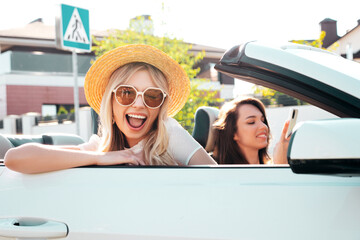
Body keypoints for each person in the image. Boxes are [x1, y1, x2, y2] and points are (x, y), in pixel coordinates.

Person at [5, 44, 217, 174]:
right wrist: (101, 157)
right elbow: (15, 158)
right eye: (127, 93)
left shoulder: (169, 134)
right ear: (111, 103)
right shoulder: (100, 148)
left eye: (152, 96)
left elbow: (221, 180)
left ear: (161, 106)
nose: (139, 104)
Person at [212, 97, 290, 165]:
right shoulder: (227, 175)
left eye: (263, 121)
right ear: (233, 133)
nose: (264, 126)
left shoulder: (269, 166)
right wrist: (281, 164)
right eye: (251, 122)